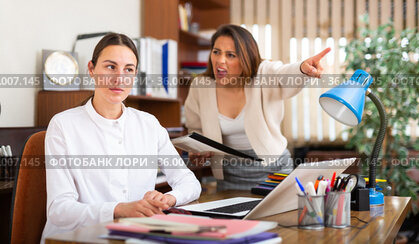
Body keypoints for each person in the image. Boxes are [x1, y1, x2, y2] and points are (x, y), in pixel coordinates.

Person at [41, 33, 201, 241]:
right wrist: (118, 210)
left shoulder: (149, 123)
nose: (119, 78)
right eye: (110, 67)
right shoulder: (63, 125)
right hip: (74, 239)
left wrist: (168, 198)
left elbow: (189, 183)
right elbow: (59, 210)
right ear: (91, 69)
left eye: (128, 70)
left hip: (133, 235)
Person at [184, 24, 330, 191]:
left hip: (274, 171)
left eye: (230, 55)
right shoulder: (201, 85)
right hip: (230, 174)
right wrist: (198, 150)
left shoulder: (263, 73)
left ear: (246, 58)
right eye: (216, 52)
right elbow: (196, 129)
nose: (220, 60)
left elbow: (283, 76)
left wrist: (302, 69)